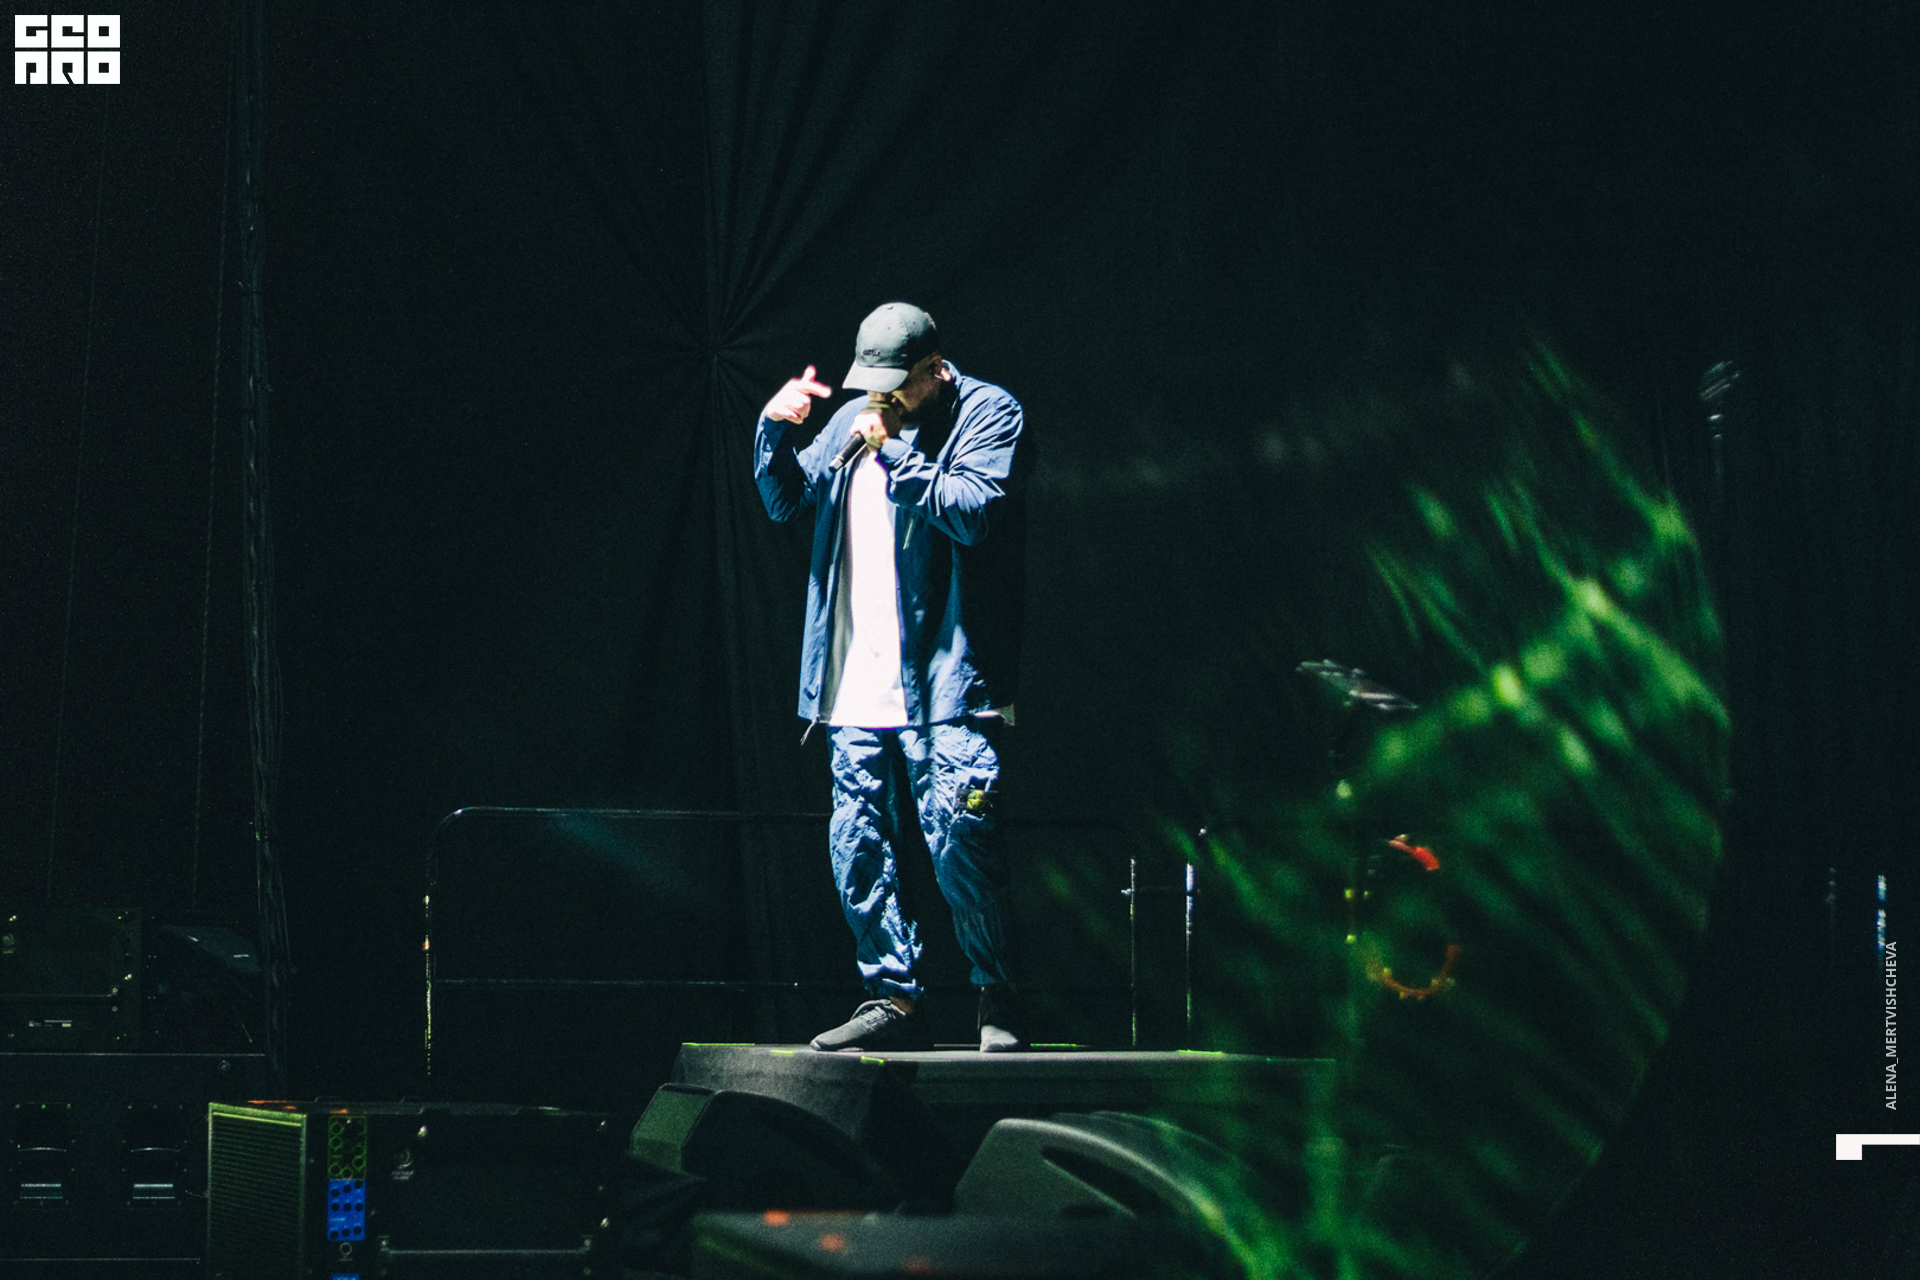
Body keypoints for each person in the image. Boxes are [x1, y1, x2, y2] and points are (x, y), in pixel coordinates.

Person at [754, 302, 1035, 1053]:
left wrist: (895, 453)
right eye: (871, 384)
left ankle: (997, 994)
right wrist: (774, 431)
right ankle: (892, 998)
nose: (882, 397)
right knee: (858, 847)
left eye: (898, 383)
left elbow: (974, 512)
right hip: (853, 683)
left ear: (935, 370)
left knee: (961, 841)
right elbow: (785, 499)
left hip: (944, 682)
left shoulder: (988, 412)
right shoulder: (856, 418)